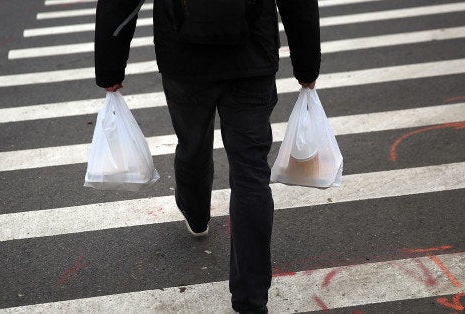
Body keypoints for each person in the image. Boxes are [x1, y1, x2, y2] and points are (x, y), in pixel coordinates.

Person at [95, 0, 320, 312]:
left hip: (184, 58)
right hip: (251, 56)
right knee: (250, 173)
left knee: (192, 144)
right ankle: (251, 299)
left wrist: (110, 67)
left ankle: (197, 214)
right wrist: (307, 65)